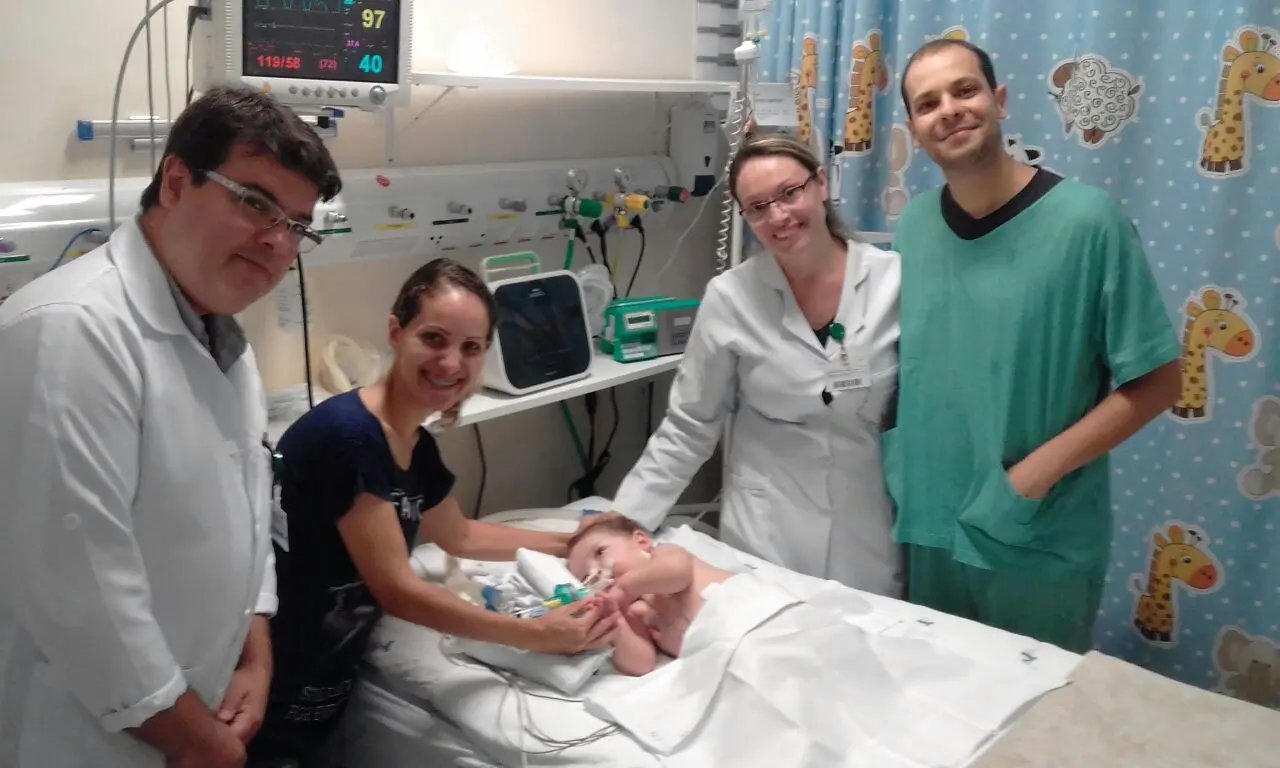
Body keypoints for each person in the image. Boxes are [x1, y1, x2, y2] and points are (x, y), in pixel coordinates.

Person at [0, 86, 342, 768]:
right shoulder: (70, 333)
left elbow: (249, 511)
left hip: (188, 710)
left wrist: (254, 651)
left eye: (298, 225)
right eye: (255, 203)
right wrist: (196, 741)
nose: (278, 241)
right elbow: (82, 591)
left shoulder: (221, 338)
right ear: (177, 180)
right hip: (81, 734)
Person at [249, 258, 620, 766]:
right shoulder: (350, 438)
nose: (451, 363)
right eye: (434, 339)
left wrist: (574, 539)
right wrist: (537, 636)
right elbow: (397, 590)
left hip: (326, 670)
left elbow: (460, 536)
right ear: (396, 332)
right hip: (276, 671)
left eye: (471, 347)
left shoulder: (414, 444)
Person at [889, 39, 1182, 652]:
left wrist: (1032, 478)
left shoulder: (1088, 223)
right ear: (914, 130)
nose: (949, 110)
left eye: (964, 90)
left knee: (1036, 704)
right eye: (927, 103)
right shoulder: (912, 229)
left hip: (1037, 534)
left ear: (999, 101)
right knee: (937, 694)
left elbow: (1159, 382)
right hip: (931, 524)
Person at [612, 133, 902, 596]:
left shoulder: (893, 281)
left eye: (790, 193)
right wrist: (626, 520)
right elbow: (690, 424)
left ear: (821, 184)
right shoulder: (730, 298)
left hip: (866, 525)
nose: (778, 216)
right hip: (766, 529)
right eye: (758, 207)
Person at [566, 514, 734, 676]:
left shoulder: (665, 554)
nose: (595, 571)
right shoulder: (634, 611)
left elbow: (676, 574)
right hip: (727, 660)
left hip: (741, 611)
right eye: (586, 578)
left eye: (600, 552)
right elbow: (641, 664)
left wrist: (624, 589)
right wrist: (615, 623)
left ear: (641, 541)